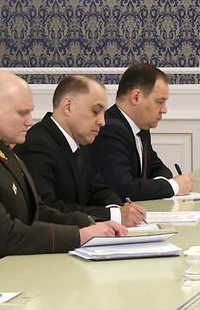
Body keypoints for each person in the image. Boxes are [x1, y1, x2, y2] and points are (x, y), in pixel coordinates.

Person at [0, 72, 125, 287]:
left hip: (7, 275)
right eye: (22, 113)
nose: (30, 121)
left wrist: (89, 224)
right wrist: (80, 236)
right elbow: (5, 235)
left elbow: (36, 211)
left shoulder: (2, 151)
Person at [15, 75, 147, 227]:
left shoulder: (80, 142)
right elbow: (47, 209)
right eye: (96, 111)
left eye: (103, 113)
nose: (102, 121)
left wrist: (115, 208)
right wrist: (114, 216)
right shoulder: (36, 144)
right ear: (68, 107)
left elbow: (98, 190)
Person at [91, 63, 194, 200]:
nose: (164, 110)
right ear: (136, 97)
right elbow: (123, 189)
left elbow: (158, 168)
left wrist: (157, 185)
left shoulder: (141, 128)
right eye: (160, 102)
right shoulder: (109, 129)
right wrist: (173, 186)